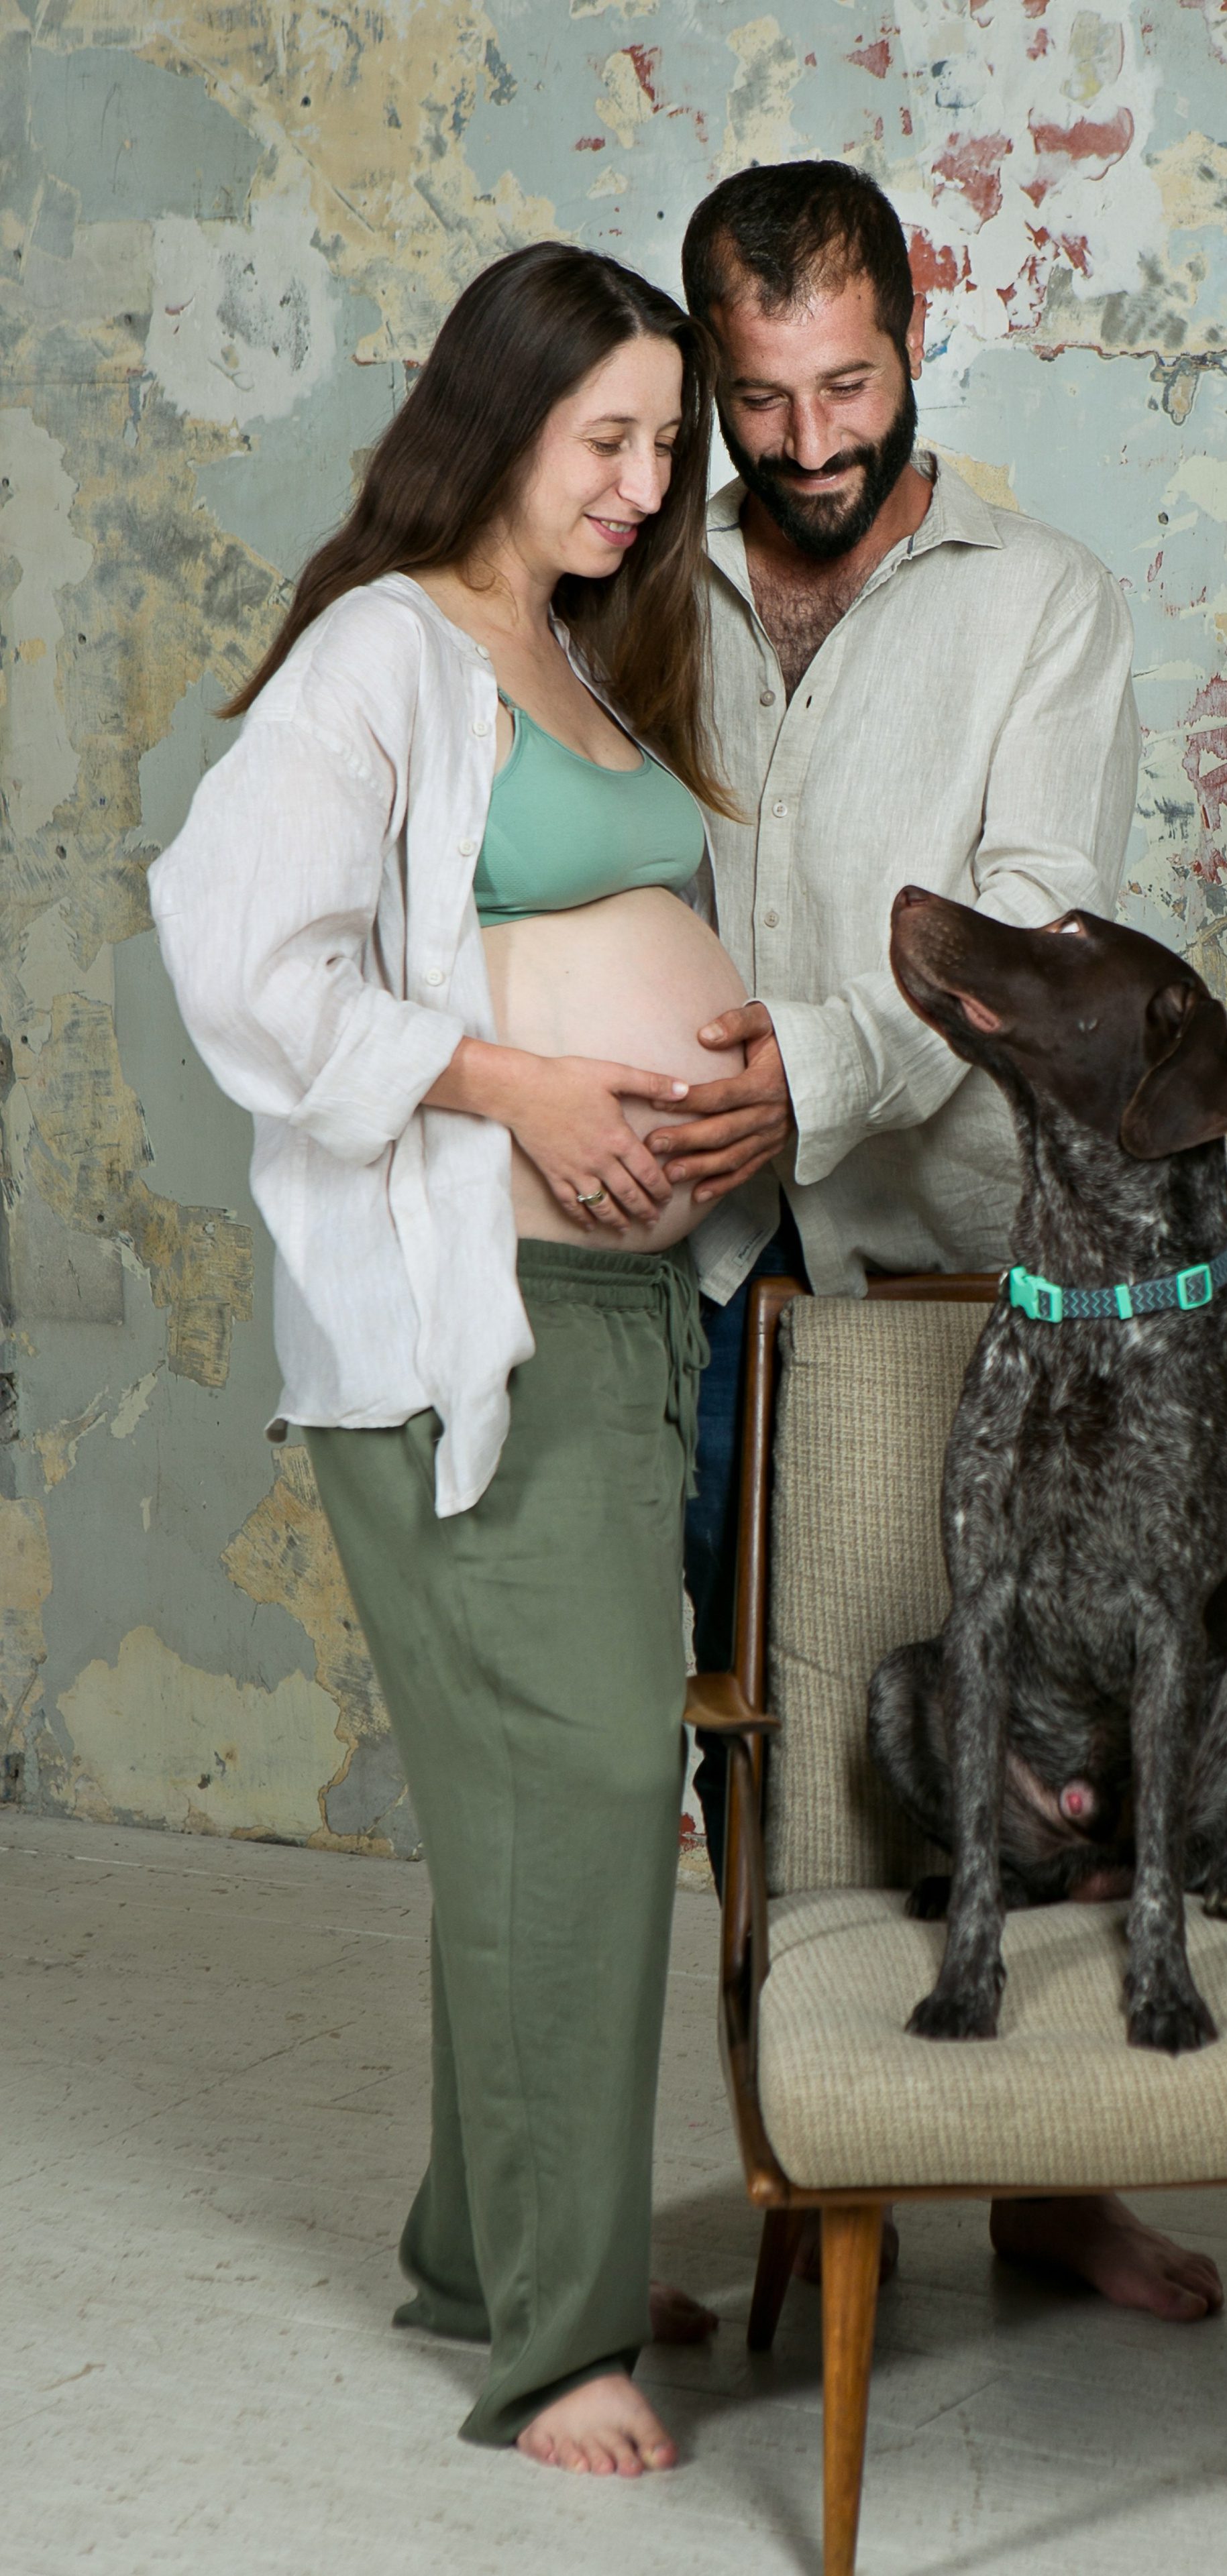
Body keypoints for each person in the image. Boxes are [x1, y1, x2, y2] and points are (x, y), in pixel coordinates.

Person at [151, 242, 747, 2478]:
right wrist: (522, 1088)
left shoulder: (576, 654)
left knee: (547, 1791)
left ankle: (488, 2240)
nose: (645, 483)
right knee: (581, 1781)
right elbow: (246, 958)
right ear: (494, 421)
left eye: (667, 445)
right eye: (608, 436)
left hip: (637, 1313)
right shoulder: (381, 653)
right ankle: (555, 2342)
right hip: (465, 1324)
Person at [661, 162, 1226, 2327]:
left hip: (968, 1280)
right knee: (761, 1747)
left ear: (918, 334)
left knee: (1045, 1723)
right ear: (708, 380)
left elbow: (1030, 932)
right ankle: (814, 2169)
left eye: (848, 385)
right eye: (760, 400)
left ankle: (1050, 2183)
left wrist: (800, 1072)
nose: (809, 443)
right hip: (709, 1262)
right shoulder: (645, 573)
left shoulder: (1044, 602)